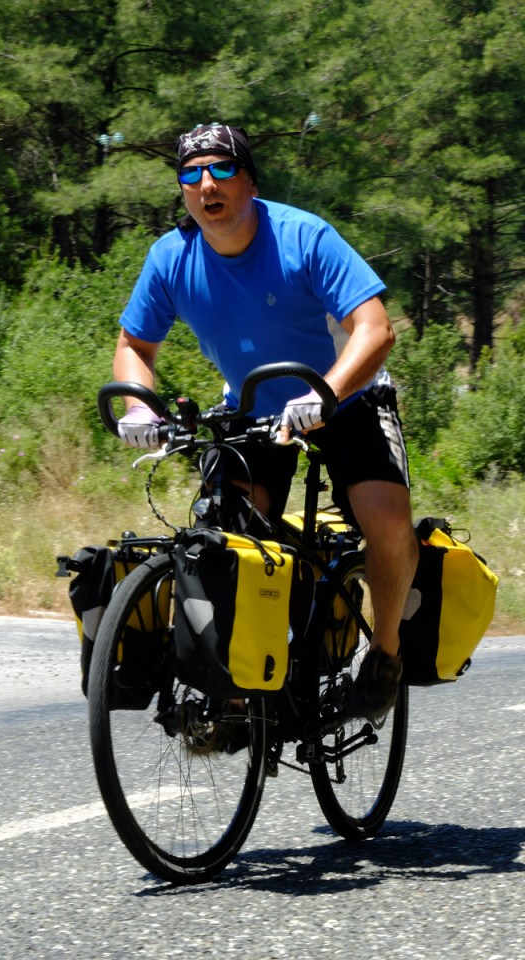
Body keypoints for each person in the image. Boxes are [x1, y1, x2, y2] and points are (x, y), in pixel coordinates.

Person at [112, 122, 419, 721]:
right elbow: (135, 344)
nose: (206, 184)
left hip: (347, 397)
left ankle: (384, 654)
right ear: (181, 190)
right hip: (256, 410)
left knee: (385, 519)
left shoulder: (304, 237)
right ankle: (235, 691)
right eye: (191, 174)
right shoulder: (171, 257)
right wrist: (138, 406)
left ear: (249, 179)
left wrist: (327, 394)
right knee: (226, 539)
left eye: (221, 169)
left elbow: (376, 328)